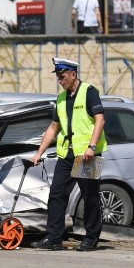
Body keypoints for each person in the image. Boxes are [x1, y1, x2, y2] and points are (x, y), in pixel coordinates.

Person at [29, 57, 107, 251]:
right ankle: (54, 238)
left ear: (73, 74)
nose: (60, 80)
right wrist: (39, 153)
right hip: (67, 154)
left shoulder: (89, 92)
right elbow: (53, 127)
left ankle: (91, 238)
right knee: (57, 194)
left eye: (62, 76)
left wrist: (91, 146)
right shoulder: (61, 98)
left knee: (90, 197)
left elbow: (100, 120)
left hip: (87, 156)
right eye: (58, 77)